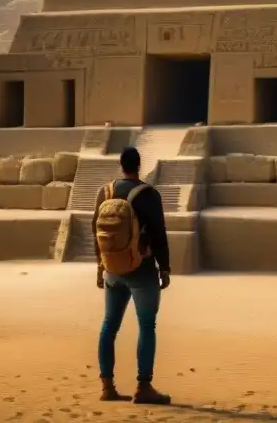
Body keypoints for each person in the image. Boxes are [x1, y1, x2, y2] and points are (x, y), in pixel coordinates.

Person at [92, 146, 172, 405]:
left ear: (120, 165)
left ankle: (106, 386)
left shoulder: (104, 192)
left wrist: (99, 266)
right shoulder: (149, 194)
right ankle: (143, 386)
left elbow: (96, 231)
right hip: (142, 270)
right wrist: (165, 268)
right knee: (147, 326)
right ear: (139, 165)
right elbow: (159, 235)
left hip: (112, 270)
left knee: (109, 327)